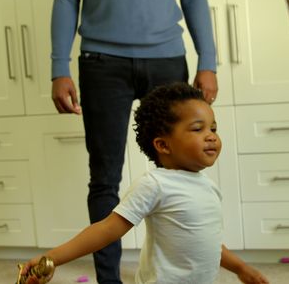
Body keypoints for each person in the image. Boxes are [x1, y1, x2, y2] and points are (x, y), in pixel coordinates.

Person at [49, 0, 219, 283]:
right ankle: (108, 280)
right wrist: (59, 68)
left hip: (166, 57)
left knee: (180, 173)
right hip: (101, 62)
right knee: (104, 178)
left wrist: (208, 61)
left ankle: (179, 273)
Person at [22, 83, 268, 284]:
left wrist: (241, 268)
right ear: (163, 145)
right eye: (197, 128)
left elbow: (209, 242)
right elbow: (107, 229)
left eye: (213, 128)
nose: (211, 135)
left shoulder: (207, 186)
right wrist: (51, 258)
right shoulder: (155, 184)